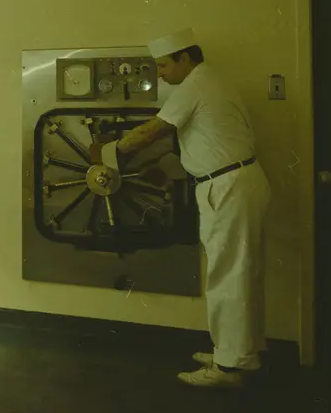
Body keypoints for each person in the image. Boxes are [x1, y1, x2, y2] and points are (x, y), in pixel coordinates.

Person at [94, 29, 272, 389]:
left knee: (228, 275)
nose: (159, 74)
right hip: (236, 181)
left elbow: (152, 132)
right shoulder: (212, 81)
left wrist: (105, 155)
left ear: (185, 59)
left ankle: (228, 367)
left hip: (227, 186)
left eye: (162, 66)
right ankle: (237, 352)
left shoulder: (195, 85)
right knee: (240, 272)